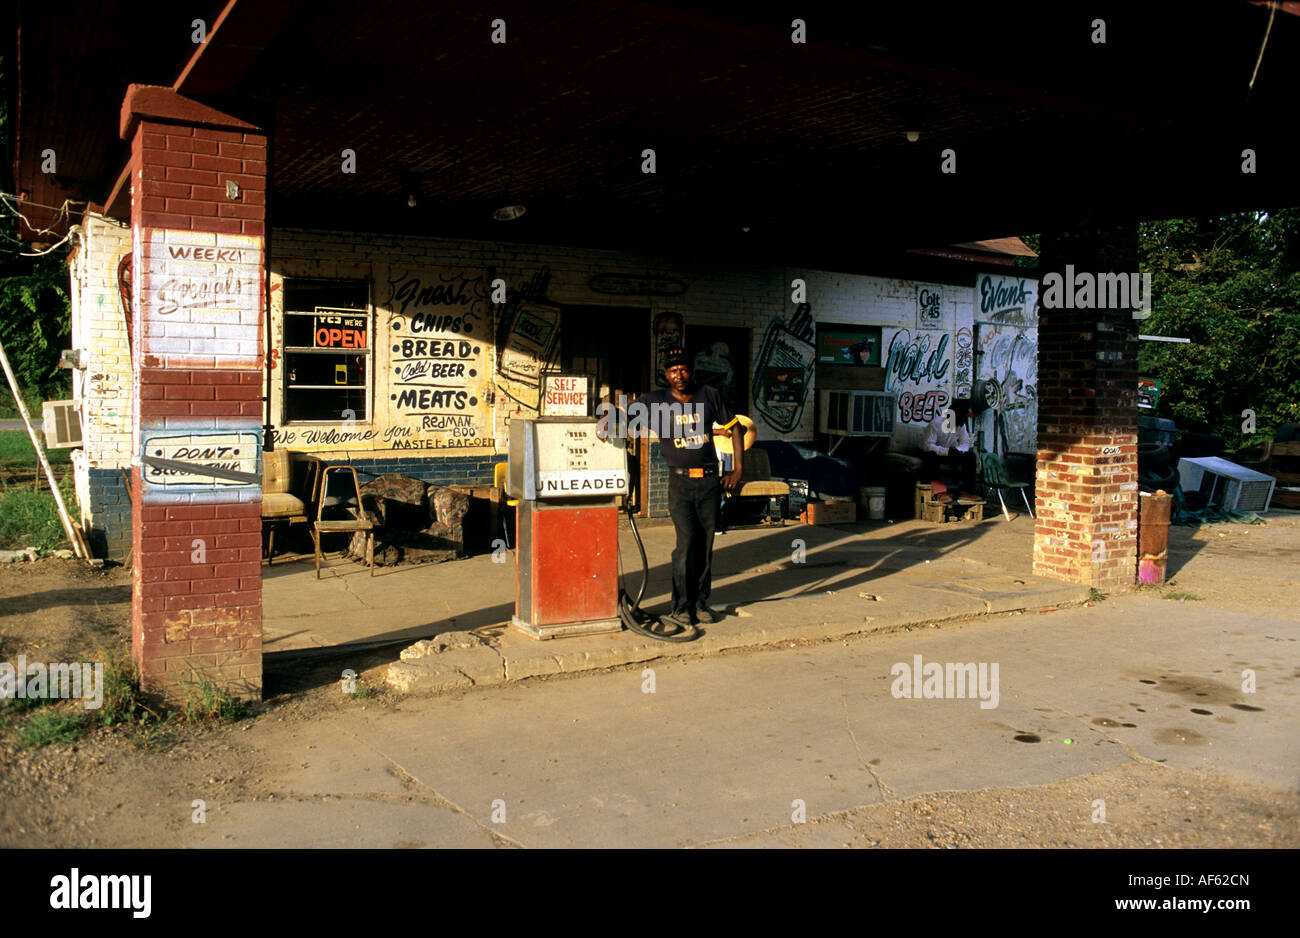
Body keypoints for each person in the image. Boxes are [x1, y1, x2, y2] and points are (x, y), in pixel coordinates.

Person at [603, 349, 743, 628]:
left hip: (709, 481)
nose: (679, 375)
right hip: (679, 482)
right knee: (686, 543)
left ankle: (700, 602)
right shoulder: (656, 400)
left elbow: (735, 427)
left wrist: (737, 469)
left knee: (705, 545)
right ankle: (680, 606)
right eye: (673, 370)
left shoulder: (709, 395)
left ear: (692, 370)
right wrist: (606, 422)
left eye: (684, 369)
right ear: (666, 375)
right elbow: (623, 415)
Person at [919, 399, 978, 499]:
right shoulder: (936, 423)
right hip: (930, 453)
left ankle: (967, 492)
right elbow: (927, 446)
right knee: (930, 456)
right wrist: (946, 451)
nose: (964, 420)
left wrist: (958, 451)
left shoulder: (961, 425)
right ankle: (940, 492)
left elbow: (965, 443)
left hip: (947, 453)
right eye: (963, 416)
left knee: (970, 456)